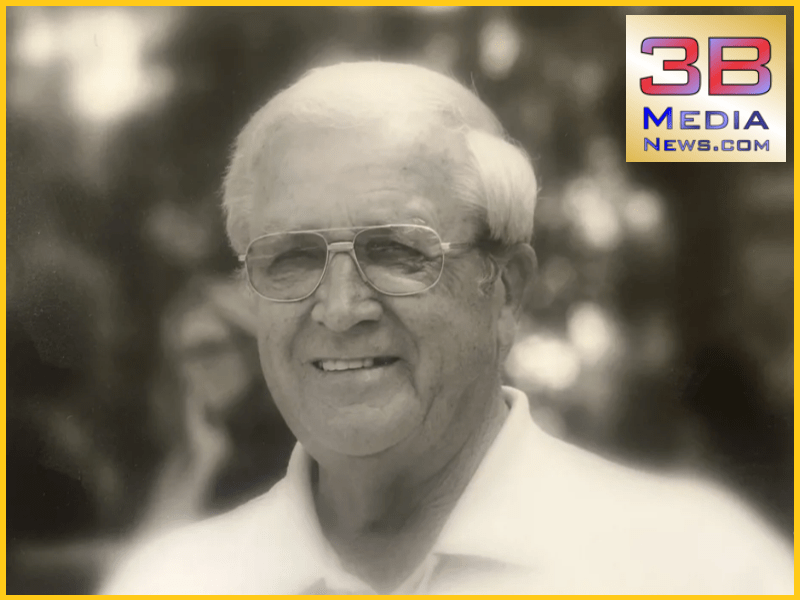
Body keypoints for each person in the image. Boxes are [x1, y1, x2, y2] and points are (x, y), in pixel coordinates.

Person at [99, 61, 793, 595]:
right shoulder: (174, 582)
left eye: (397, 252)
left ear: (507, 290)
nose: (340, 309)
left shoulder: (701, 569)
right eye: (292, 259)